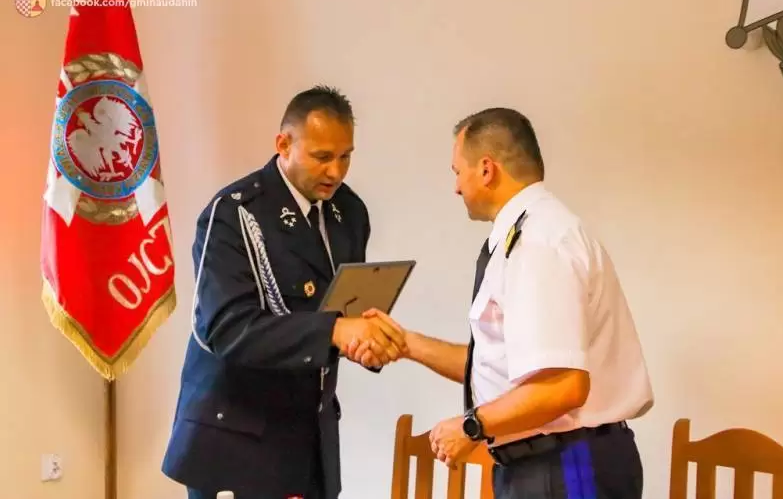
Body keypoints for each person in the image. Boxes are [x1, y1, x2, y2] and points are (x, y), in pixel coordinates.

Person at [353, 107, 654, 498]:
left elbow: (563, 386)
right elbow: (502, 367)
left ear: (486, 169)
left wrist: (470, 427)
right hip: (540, 464)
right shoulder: (524, 235)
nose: (455, 187)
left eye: (457, 172)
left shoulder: (539, 243)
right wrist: (407, 344)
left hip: (566, 465)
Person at [162, 85, 406, 499]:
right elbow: (227, 328)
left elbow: (341, 309)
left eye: (345, 156)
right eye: (322, 157)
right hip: (235, 437)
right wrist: (335, 331)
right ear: (283, 144)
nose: (335, 172)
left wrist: (365, 341)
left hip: (307, 439)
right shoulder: (235, 213)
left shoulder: (349, 213)